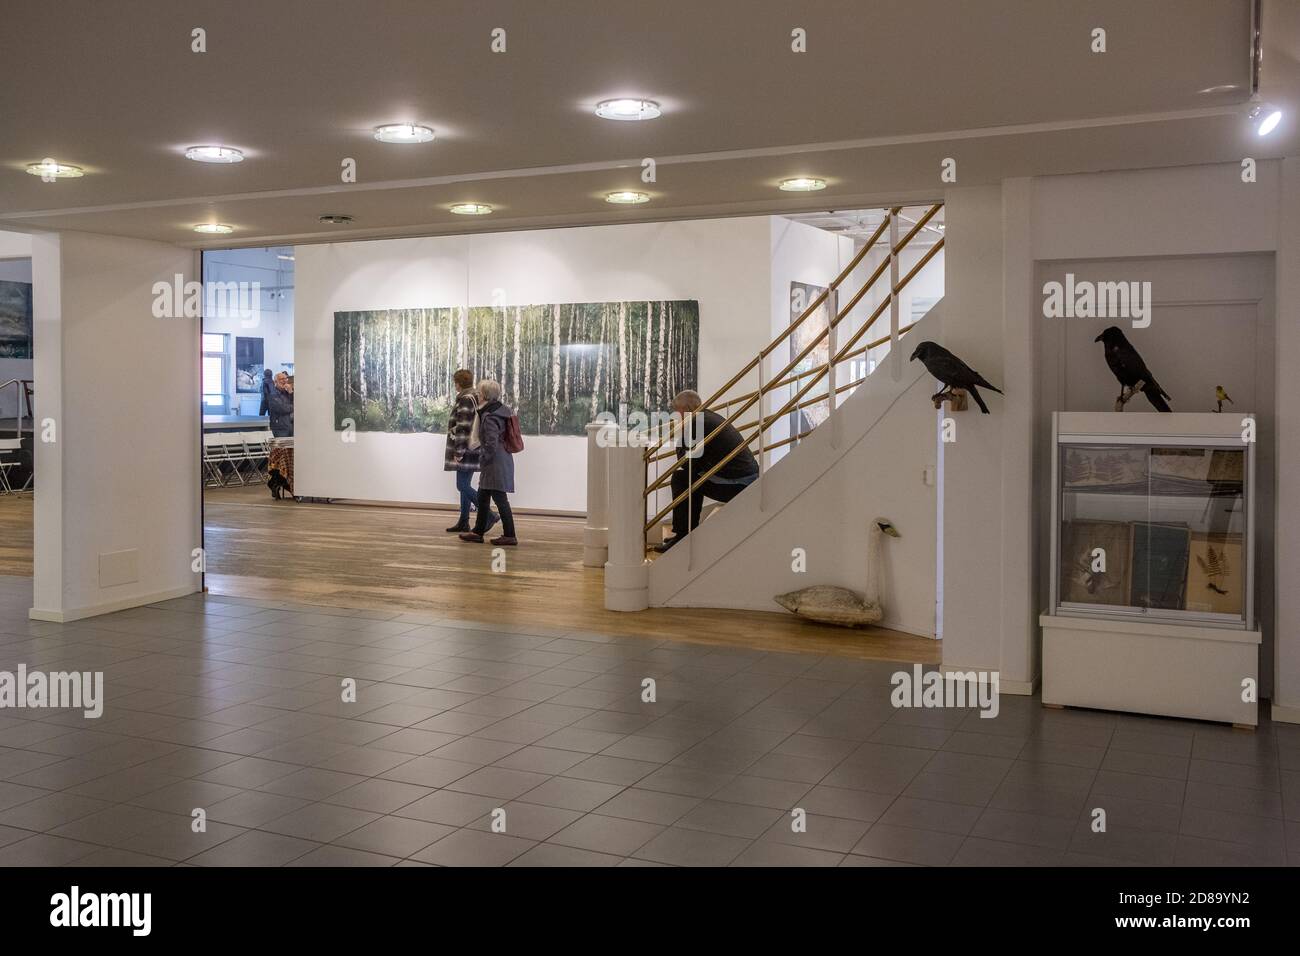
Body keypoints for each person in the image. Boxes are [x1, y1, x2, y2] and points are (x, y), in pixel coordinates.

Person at [653, 388, 758, 552]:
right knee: (689, 477)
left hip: (739, 484)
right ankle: (684, 532)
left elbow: (687, 462)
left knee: (682, 478)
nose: (675, 418)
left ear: (686, 410)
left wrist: (680, 440)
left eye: (677, 413)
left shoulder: (697, 424)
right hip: (745, 478)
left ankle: (683, 534)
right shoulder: (706, 417)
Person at [459, 379, 518, 546]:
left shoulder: (489, 415)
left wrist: (483, 458)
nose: (477, 395)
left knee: (500, 498)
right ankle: (478, 532)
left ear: (485, 395)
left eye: (478, 392)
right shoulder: (498, 411)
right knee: (482, 496)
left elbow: (491, 443)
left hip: (494, 462)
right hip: (499, 459)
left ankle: (510, 535)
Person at [443, 369, 496, 533]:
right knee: (464, 484)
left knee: (462, 485)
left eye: (455, 383)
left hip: (465, 450)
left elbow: (463, 427)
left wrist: (458, 451)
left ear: (458, 383)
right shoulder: (474, 397)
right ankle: (464, 521)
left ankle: (488, 514)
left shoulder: (465, 399)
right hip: (473, 450)